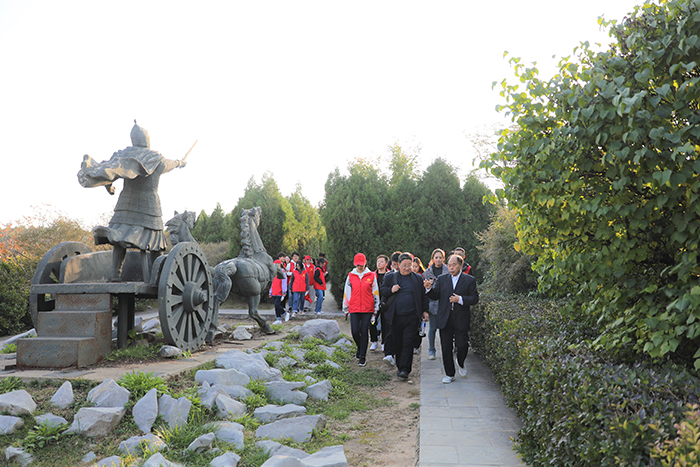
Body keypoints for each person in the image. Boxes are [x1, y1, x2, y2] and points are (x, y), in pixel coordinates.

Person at [78, 120, 187, 281]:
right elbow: (170, 164)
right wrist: (180, 163)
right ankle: (157, 277)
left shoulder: (124, 156)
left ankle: (115, 273)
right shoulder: (156, 159)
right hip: (149, 205)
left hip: (126, 203)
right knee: (155, 242)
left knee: (120, 238)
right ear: (147, 140)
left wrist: (109, 186)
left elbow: (111, 170)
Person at [425, 254, 479, 384]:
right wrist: (429, 289)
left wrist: (460, 299)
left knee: (462, 345)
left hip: (461, 318)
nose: (451, 268)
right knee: (446, 347)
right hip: (445, 318)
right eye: (449, 265)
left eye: (454, 265)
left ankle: (460, 362)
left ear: (461, 265)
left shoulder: (469, 280)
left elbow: (474, 299)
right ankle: (449, 373)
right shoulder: (442, 279)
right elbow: (435, 295)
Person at [381, 252, 429, 379]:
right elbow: (382, 290)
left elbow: (423, 295)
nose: (407, 268)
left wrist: (425, 311)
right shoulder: (390, 277)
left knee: (408, 342)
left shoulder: (417, 278)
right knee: (398, 342)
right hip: (395, 316)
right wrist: (391, 290)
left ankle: (405, 369)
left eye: (409, 265)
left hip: (412, 316)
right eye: (404, 265)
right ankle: (399, 366)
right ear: (398, 265)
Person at [342, 253, 379, 367]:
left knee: (364, 331)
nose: (360, 267)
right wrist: (345, 308)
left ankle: (362, 356)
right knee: (355, 331)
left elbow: (375, 292)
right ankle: (360, 347)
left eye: (361, 265)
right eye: (358, 265)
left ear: (365, 263)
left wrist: (376, 309)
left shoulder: (371, 275)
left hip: (368, 308)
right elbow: (347, 292)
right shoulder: (351, 276)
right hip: (354, 307)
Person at [423, 248, 449, 360]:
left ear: (443, 259)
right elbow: (425, 291)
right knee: (432, 328)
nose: (438, 260)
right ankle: (431, 350)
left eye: (440, 257)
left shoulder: (448, 270)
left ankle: (447, 350)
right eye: (436, 257)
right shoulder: (427, 272)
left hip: (445, 303)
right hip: (432, 304)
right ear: (432, 259)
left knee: (446, 329)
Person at [370, 254, 390, 351]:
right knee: (372, 322)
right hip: (374, 302)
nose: (379, 263)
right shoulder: (372, 275)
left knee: (385, 323)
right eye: (378, 261)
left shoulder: (390, 274)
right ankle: (374, 341)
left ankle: (384, 342)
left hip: (386, 302)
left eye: (381, 261)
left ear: (386, 264)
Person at [271, 252, 288, 324]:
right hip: (274, 291)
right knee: (275, 306)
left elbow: (284, 283)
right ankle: (278, 319)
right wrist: (270, 291)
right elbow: (272, 283)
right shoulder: (274, 273)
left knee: (277, 304)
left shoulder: (282, 272)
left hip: (279, 292)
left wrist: (284, 291)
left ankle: (285, 313)